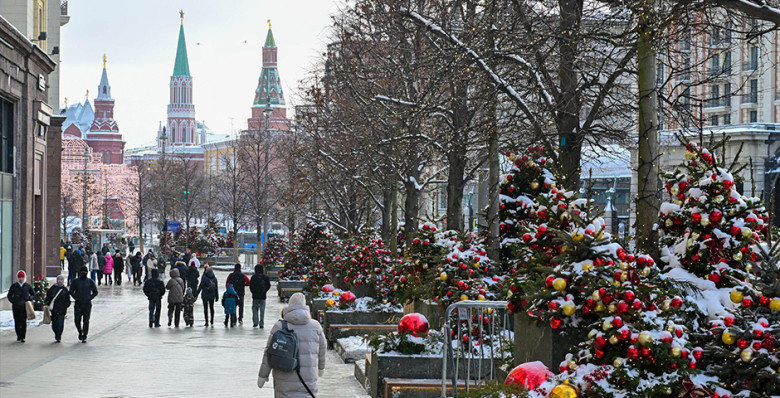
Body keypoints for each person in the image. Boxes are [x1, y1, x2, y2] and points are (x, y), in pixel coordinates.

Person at [257, 293, 327, 397]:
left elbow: (269, 352)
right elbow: (322, 349)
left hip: (283, 379)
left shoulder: (279, 326)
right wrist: (321, 368)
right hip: (308, 378)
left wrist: (263, 375)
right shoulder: (315, 326)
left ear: (289, 306)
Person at [70, 266, 98, 343]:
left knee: (86, 320)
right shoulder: (75, 281)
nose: (83, 274)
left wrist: (89, 298)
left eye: (85, 272)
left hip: (87, 304)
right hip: (78, 303)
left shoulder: (90, 281)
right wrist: (76, 297)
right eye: (82, 272)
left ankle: (84, 335)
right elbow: (71, 291)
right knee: (77, 320)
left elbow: (95, 291)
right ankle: (80, 331)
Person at [7, 271, 35, 343]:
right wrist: (13, 301)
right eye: (19, 277)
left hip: (24, 307)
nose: (21, 279)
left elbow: (33, 294)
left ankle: (23, 336)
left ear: (24, 277)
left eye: (22, 277)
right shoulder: (14, 286)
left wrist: (29, 298)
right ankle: (18, 335)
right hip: (16, 306)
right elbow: (9, 295)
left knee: (23, 321)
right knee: (17, 321)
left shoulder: (27, 286)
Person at [44, 275, 71, 342]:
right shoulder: (52, 288)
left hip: (62, 310)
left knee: (60, 324)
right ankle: (56, 333)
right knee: (54, 324)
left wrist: (65, 306)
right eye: (58, 279)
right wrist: (47, 304)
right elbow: (48, 297)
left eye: (61, 279)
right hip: (54, 310)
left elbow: (68, 300)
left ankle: (58, 336)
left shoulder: (65, 290)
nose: (59, 281)